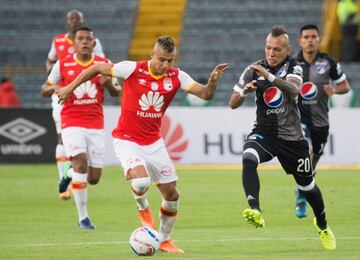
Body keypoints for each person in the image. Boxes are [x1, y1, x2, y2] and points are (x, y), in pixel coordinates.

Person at [56, 36, 228, 252]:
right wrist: (70, 87)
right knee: (141, 182)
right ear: (152, 56)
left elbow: (205, 94)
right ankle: (142, 207)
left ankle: (163, 240)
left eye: (170, 60)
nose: (165, 65)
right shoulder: (131, 69)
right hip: (127, 139)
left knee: (172, 195)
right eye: (162, 59)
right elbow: (97, 67)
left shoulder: (177, 76)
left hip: (154, 142)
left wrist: (212, 81)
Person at [229, 25, 336, 250]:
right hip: (265, 133)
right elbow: (233, 103)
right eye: (268, 48)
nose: (271, 53)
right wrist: (244, 92)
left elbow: (294, 90)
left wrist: (267, 76)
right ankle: (255, 209)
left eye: (277, 49)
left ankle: (323, 225)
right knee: (248, 156)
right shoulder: (253, 69)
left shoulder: (294, 66)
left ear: (287, 50)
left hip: (292, 139)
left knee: (307, 187)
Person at [42, 27, 120, 229]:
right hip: (71, 121)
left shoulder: (104, 65)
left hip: (95, 124)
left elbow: (116, 93)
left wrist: (109, 85)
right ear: (74, 43)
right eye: (81, 39)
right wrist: (58, 88)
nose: (85, 42)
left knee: (93, 178)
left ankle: (68, 174)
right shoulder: (63, 64)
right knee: (81, 164)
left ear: (94, 44)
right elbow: (45, 88)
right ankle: (83, 218)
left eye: (88, 39)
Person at [44, 10, 105, 200]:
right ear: (67, 23)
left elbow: (100, 66)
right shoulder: (58, 42)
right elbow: (49, 63)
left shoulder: (95, 44)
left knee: (91, 173)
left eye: (78, 19)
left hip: (86, 96)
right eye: (72, 19)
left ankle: (71, 172)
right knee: (62, 137)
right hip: (63, 97)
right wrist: (59, 82)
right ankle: (67, 180)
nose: (74, 22)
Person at [294, 24, 351, 218]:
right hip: (299, 120)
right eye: (306, 37)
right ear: (300, 41)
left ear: (319, 40)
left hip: (321, 122)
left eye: (313, 37)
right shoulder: (292, 64)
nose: (310, 40)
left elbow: (345, 85)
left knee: (312, 163)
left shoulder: (329, 62)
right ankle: (302, 199)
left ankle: (300, 192)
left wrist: (334, 90)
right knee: (306, 151)